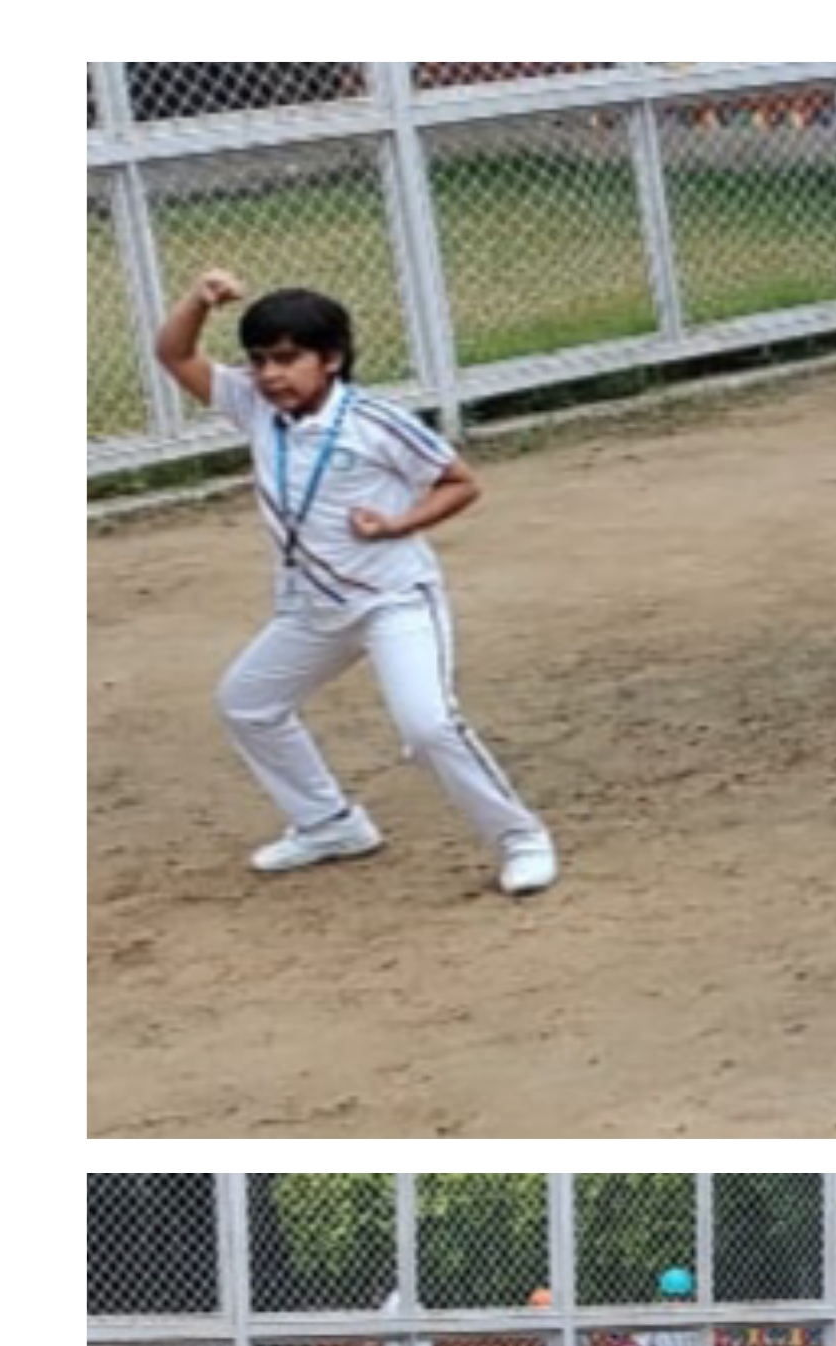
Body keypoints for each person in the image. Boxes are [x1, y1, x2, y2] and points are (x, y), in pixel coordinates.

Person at [153, 270, 557, 893]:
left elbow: (459, 482)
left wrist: (399, 523)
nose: (270, 375)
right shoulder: (254, 407)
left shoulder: (375, 421)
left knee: (428, 726)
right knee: (248, 703)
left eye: (287, 359)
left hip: (393, 601)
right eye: (259, 360)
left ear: (332, 359)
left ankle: (521, 838)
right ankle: (330, 823)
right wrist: (200, 301)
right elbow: (174, 354)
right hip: (311, 607)